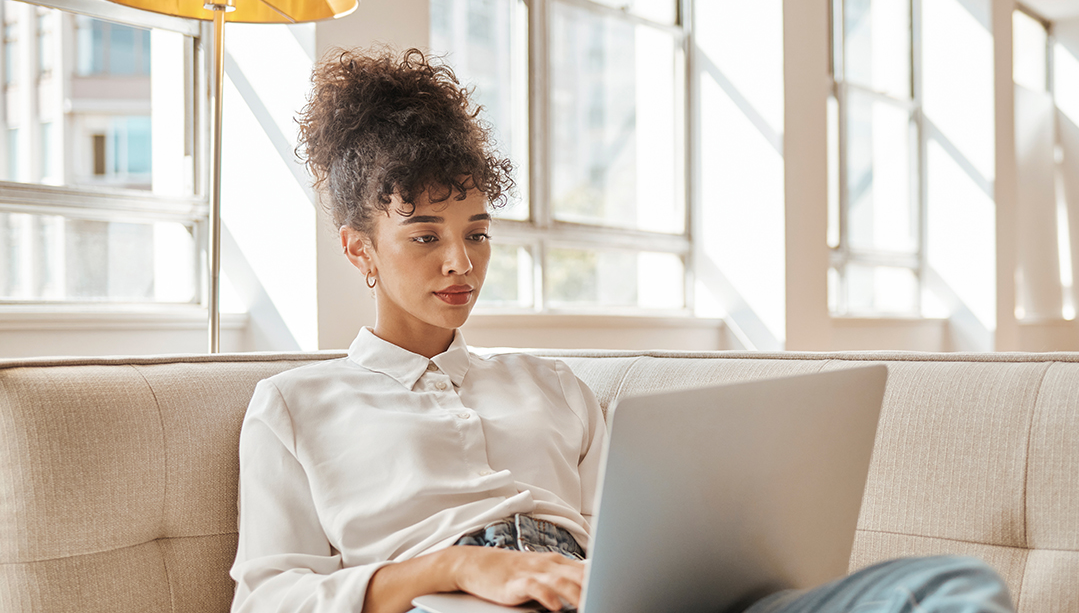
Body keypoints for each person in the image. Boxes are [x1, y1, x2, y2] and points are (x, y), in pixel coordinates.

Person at [229, 47, 1016, 613]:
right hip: (464, 605)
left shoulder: (553, 387)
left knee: (952, 587)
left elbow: (634, 544)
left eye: (478, 231)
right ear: (358, 248)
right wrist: (460, 568)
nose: (460, 263)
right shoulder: (295, 406)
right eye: (426, 236)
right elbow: (269, 597)